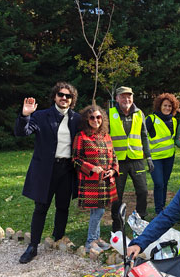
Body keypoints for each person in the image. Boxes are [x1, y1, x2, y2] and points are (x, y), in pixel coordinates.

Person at [14, 82, 81, 264]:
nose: (64, 98)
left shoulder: (76, 119)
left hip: (67, 170)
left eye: (68, 96)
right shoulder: (42, 116)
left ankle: (58, 238)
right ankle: (33, 246)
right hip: (46, 170)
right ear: (55, 96)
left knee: (63, 207)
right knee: (41, 208)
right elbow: (22, 132)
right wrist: (25, 115)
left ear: (72, 100)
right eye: (61, 94)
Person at [72, 105, 118, 252]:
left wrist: (113, 170)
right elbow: (75, 159)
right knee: (98, 212)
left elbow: (114, 157)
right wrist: (91, 167)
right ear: (86, 119)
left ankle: (96, 239)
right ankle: (90, 241)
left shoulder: (106, 136)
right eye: (92, 117)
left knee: (99, 210)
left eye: (98, 117)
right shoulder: (81, 136)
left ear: (102, 119)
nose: (95, 120)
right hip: (90, 181)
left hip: (105, 181)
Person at [109, 86, 153, 227]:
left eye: (129, 96)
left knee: (142, 191)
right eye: (123, 96)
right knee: (117, 195)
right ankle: (117, 224)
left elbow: (144, 136)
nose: (126, 99)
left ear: (132, 98)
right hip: (118, 160)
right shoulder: (109, 113)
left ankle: (140, 221)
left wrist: (149, 157)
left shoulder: (139, 113)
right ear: (117, 98)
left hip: (137, 159)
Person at [146, 93, 180, 214]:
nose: (167, 108)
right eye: (165, 105)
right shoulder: (151, 119)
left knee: (165, 183)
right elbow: (142, 137)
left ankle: (162, 208)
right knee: (159, 183)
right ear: (159, 106)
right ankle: (158, 210)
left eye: (170, 106)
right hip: (155, 158)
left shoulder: (174, 121)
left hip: (169, 158)